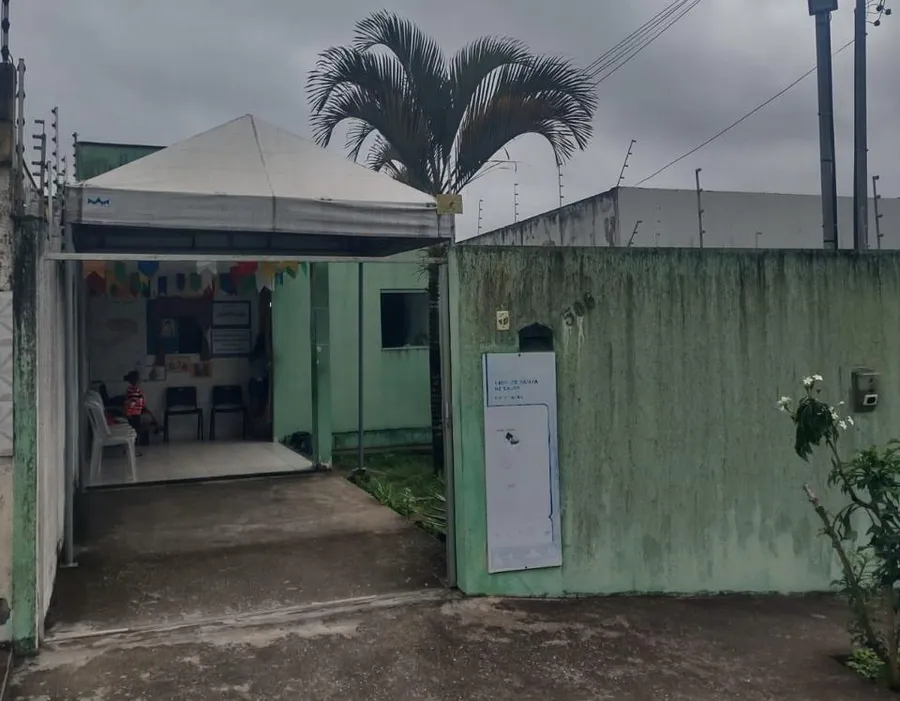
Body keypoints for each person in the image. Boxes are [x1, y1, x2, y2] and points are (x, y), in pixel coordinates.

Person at [123, 371, 160, 446]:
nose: (141, 379)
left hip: (137, 411)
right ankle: (134, 446)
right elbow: (133, 401)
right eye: (139, 378)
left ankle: (156, 426)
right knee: (136, 430)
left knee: (137, 429)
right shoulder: (133, 390)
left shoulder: (133, 389)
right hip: (134, 413)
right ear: (136, 380)